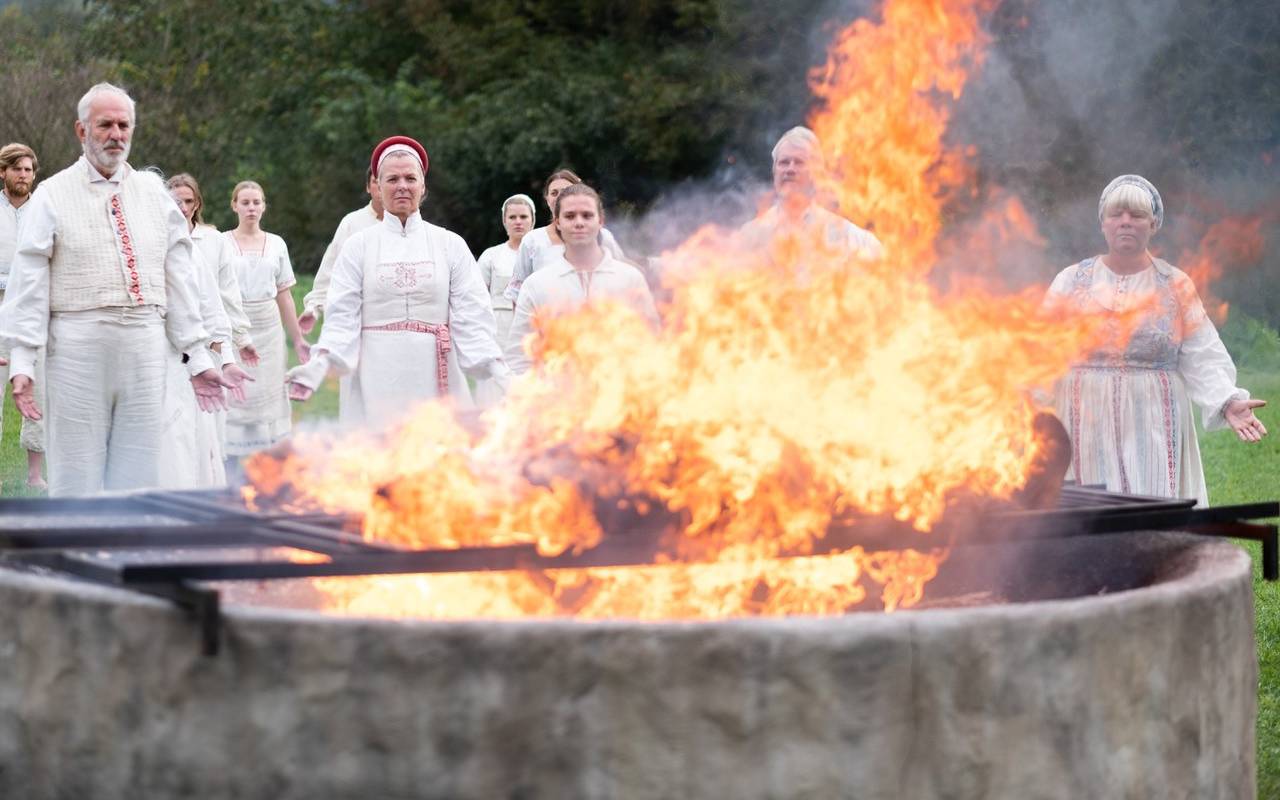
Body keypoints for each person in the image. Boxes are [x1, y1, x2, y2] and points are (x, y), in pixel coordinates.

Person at [0, 83, 228, 496]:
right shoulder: (52, 194)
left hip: (144, 343)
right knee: (77, 472)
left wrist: (196, 355)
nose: (116, 134)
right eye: (105, 124)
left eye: (124, 124)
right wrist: (22, 360)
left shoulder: (154, 195)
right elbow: (29, 278)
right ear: (81, 131)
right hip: (76, 346)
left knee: (139, 471)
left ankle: (129, 554)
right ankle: (75, 554)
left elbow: (179, 277)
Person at [1043, 174, 1267, 505]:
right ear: (1102, 224)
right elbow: (1039, 350)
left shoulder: (1175, 284)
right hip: (1084, 414)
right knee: (1088, 507)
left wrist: (1227, 400)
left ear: (1153, 224)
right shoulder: (1071, 280)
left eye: (1136, 216)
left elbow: (1201, 353)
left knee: (1152, 506)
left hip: (1152, 416)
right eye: (1116, 215)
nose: (1125, 223)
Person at [286, 136, 510, 426]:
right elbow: (343, 317)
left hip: (435, 372)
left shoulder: (449, 244)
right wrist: (320, 363)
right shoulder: (358, 245)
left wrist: (497, 367)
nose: (402, 185)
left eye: (410, 178)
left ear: (422, 185)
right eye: (392, 179)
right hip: (375, 375)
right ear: (378, 186)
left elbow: (473, 316)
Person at [506, 183, 657, 375]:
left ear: (600, 221)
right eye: (570, 216)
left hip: (619, 395)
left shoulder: (630, 279)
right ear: (557, 222)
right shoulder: (536, 285)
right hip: (557, 398)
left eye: (587, 215)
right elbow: (519, 357)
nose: (579, 222)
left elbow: (651, 342)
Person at [165, 174, 253, 486]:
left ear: (197, 203)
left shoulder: (211, 243)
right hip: (166, 353)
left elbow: (222, 298)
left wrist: (230, 349)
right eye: (176, 201)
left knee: (208, 425)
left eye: (188, 201)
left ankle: (207, 487)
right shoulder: (155, 243)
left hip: (208, 345)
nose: (182, 207)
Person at [223, 180, 307, 458]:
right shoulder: (222, 243)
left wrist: (297, 338)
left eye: (256, 202)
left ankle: (269, 457)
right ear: (234, 205)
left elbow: (284, 294)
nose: (251, 208)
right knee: (237, 394)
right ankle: (232, 456)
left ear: (264, 206)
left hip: (269, 330)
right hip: (235, 327)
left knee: (268, 395)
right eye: (245, 202)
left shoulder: (276, 244)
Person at [738, 126, 883, 260]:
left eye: (799, 162)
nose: (790, 169)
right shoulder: (750, 235)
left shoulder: (847, 235)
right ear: (774, 171)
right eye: (784, 162)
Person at [501, 168, 627, 303]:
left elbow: (622, 278)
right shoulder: (533, 240)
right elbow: (518, 294)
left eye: (566, 191)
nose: (560, 197)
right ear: (547, 199)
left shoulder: (601, 236)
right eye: (554, 193)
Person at [0, 143, 47, 489]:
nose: (23, 175)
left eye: (28, 170)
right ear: (3, 172)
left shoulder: (43, 212)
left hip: (33, 310)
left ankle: (34, 476)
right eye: (17, 169)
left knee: (38, 392)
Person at [298, 167, 383, 335]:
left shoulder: (410, 224)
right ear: (367, 187)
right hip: (356, 318)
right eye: (375, 181)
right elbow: (331, 268)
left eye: (386, 180)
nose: (381, 187)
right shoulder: (352, 223)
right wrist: (314, 308)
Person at [476, 193, 535, 346]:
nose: (518, 222)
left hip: (534, 327)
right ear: (504, 221)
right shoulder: (491, 255)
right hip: (498, 330)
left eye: (523, 217)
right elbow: (476, 296)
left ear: (532, 220)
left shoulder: (541, 255)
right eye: (512, 217)